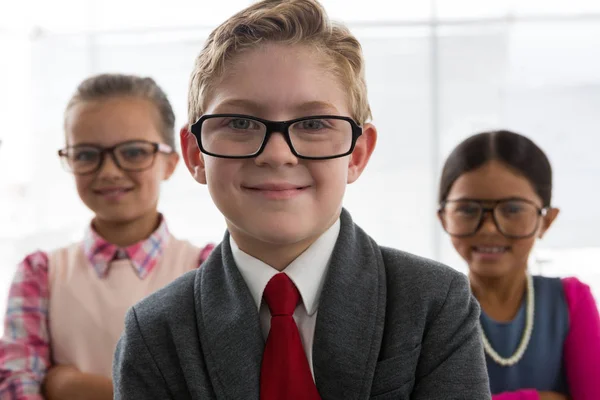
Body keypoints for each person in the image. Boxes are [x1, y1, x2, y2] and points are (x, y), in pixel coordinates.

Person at [113, 1, 491, 398]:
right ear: (195, 155)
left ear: (357, 154)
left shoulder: (433, 302)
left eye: (313, 124)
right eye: (239, 123)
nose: (277, 154)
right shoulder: (156, 332)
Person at [0, 73, 214, 400]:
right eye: (86, 154)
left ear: (171, 162)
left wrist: (69, 386)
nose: (109, 171)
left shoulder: (208, 270)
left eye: (133, 152)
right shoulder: (39, 273)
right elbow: (16, 389)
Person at [438, 130, 600, 400]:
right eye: (468, 209)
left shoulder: (571, 301)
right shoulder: (432, 308)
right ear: (444, 218)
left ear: (546, 221)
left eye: (512, 209)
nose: (489, 228)